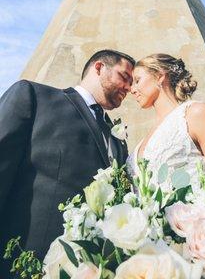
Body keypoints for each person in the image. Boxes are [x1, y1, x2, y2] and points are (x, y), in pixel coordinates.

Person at [0, 49, 134, 278]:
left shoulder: (117, 141)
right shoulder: (35, 96)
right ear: (99, 67)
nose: (129, 88)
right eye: (124, 77)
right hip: (21, 264)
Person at [128, 53, 205, 192]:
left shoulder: (195, 114)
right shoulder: (143, 141)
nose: (132, 90)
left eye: (137, 80)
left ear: (159, 76)